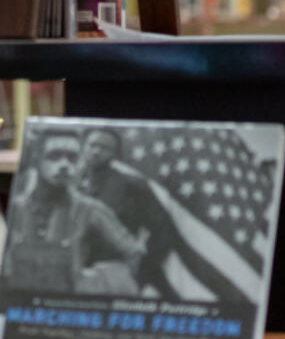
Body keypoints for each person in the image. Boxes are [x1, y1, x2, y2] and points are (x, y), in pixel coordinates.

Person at [79, 128, 251, 303]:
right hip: (71, 274)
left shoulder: (132, 187)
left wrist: (142, 271)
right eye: (92, 145)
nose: (96, 151)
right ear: (83, 147)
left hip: (111, 275)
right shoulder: (69, 184)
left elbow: (163, 231)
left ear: (115, 154)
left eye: (105, 148)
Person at [3, 127, 147, 294]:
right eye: (54, 156)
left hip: (70, 300)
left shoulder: (90, 209)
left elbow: (134, 252)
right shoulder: (18, 206)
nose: (64, 165)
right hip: (23, 298)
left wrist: (95, 283)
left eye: (72, 158)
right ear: (37, 160)